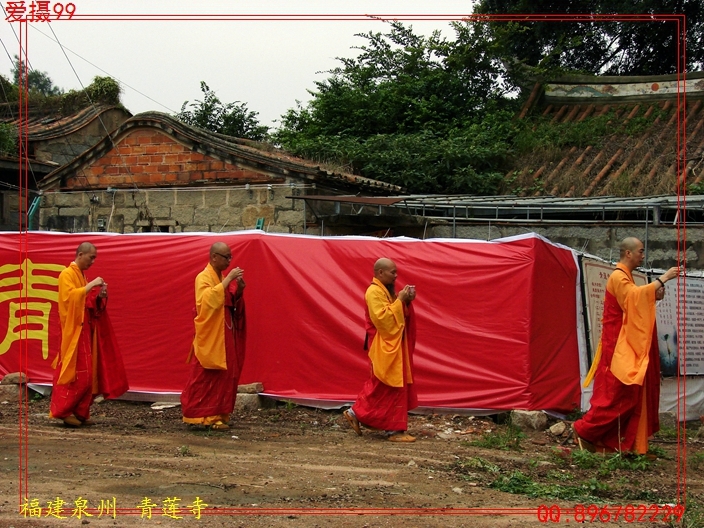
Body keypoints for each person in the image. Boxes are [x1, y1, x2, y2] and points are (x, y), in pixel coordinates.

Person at [574, 237, 679, 455]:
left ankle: (616, 443)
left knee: (631, 393)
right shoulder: (617, 276)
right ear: (628, 253)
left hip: (623, 343)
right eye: (640, 251)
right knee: (617, 395)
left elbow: (636, 302)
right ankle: (585, 431)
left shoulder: (627, 277)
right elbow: (633, 298)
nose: (643, 255)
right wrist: (662, 279)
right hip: (616, 346)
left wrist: (654, 295)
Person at [50, 242, 128, 427]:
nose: (93, 262)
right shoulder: (66, 274)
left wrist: (98, 296)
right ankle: (62, 411)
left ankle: (80, 411)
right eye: (91, 257)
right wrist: (91, 285)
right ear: (80, 254)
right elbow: (70, 299)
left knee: (89, 374)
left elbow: (86, 301)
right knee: (76, 375)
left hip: (84, 330)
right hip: (73, 332)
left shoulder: (81, 276)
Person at [344, 258, 418, 442]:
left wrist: (406, 302)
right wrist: (400, 300)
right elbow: (384, 320)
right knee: (385, 384)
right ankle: (393, 431)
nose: (396, 276)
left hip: (392, 345)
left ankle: (356, 413)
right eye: (393, 272)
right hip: (383, 345)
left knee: (385, 385)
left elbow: (398, 316)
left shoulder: (386, 291)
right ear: (380, 273)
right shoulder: (373, 292)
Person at [181, 242, 246, 431]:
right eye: (226, 257)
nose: (229, 261)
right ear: (214, 257)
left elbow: (229, 302)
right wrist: (228, 281)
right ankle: (202, 415)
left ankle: (219, 414)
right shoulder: (203, 277)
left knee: (226, 374)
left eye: (230, 257)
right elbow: (207, 302)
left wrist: (239, 289)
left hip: (224, 332)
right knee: (206, 373)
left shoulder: (220, 277)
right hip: (211, 335)